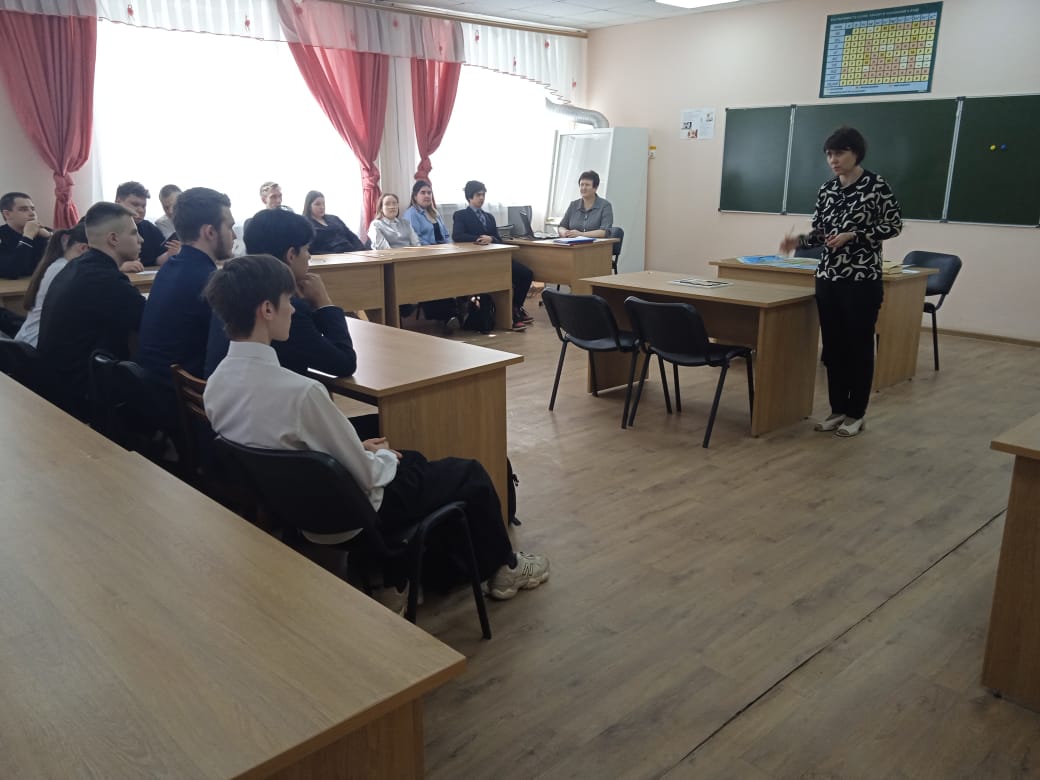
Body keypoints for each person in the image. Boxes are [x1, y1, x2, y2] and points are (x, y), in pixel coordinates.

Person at [202, 254, 550, 608]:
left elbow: (291, 450)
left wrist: (360, 449)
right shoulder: (301, 394)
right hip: (356, 515)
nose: (293, 309)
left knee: (408, 456)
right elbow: (368, 477)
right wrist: (380, 455)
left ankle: (412, 569)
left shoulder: (215, 386)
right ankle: (505, 569)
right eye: (288, 300)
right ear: (267, 310)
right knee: (469, 473)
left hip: (298, 512)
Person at [780, 126, 902, 439]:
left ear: (855, 153)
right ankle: (837, 410)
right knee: (833, 347)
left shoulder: (876, 186)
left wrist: (855, 235)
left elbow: (893, 226)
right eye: (829, 155)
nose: (833, 160)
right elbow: (821, 232)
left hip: (861, 279)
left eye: (839, 153)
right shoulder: (828, 189)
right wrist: (798, 241)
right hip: (828, 278)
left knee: (858, 346)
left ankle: (856, 413)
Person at [205, 207, 357, 380]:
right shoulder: (283, 306)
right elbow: (344, 363)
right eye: (306, 249)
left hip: (225, 390)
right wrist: (324, 304)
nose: (309, 256)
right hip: (266, 395)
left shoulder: (232, 289)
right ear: (291, 255)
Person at [136, 187, 236, 434]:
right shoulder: (212, 282)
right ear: (210, 232)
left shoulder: (170, 267)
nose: (234, 235)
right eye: (229, 227)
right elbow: (221, 363)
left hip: (158, 398)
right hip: (189, 410)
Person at [36, 202, 146, 419]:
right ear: (113, 239)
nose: (141, 239)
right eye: (134, 233)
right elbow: (148, 321)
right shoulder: (104, 279)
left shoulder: (77, 266)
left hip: (56, 384)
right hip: (80, 395)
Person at [453, 180, 535, 328]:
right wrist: (479, 239)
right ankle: (511, 315)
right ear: (470, 197)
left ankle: (515, 307)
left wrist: (491, 238)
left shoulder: (489, 217)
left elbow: (498, 239)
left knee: (526, 274)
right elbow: (457, 235)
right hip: (477, 261)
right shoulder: (461, 215)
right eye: (478, 195)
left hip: (497, 259)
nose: (481, 198)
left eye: (483, 195)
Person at [14, 224, 89, 348]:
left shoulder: (58, 264)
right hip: (37, 346)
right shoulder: (65, 271)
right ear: (83, 248)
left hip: (30, 341)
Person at [115, 181, 178, 268]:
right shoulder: (102, 224)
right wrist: (118, 267)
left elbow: (157, 259)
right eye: (135, 204)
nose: (141, 210)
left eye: (144, 206)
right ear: (118, 202)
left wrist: (170, 254)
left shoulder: (149, 228)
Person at [0, 191, 51, 279]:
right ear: (7, 214)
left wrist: (50, 237)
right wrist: (28, 236)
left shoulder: (46, 232)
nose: (32, 213)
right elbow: (11, 271)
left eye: (33, 209)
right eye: (24, 209)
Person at [303, 190, 365, 254]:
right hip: (330, 256)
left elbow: (351, 236)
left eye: (323, 203)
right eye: (317, 204)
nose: (322, 207)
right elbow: (310, 250)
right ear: (309, 206)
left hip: (351, 252)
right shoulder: (306, 225)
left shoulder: (334, 218)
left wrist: (362, 251)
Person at [557, 170, 613, 238]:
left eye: (587, 185)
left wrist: (581, 234)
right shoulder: (573, 205)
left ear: (595, 188)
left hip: (595, 244)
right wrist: (565, 232)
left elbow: (604, 232)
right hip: (572, 243)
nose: (583, 188)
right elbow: (562, 226)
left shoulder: (605, 206)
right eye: (582, 185)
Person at [404, 180, 450, 246]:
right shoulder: (411, 214)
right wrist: (434, 248)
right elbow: (416, 239)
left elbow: (446, 235)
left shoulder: (435, 212)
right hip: (425, 250)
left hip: (442, 248)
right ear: (415, 197)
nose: (427, 196)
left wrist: (448, 246)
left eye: (429, 193)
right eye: (423, 193)